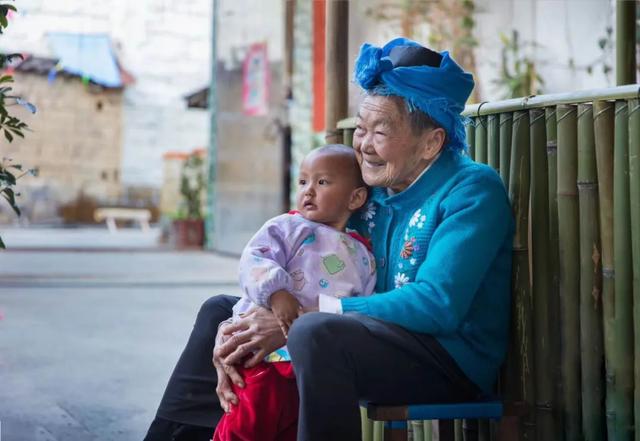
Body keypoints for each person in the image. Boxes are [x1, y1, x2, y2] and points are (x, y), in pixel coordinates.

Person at [144, 37, 513, 441]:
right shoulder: (369, 188)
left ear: (431, 143)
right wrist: (243, 322)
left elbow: (437, 305)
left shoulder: (471, 190)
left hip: (445, 360)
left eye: (380, 132)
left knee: (313, 332)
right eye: (361, 128)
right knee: (220, 312)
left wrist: (298, 317)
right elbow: (297, 238)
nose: (364, 146)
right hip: (359, 334)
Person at [211, 144, 376, 441]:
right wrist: (277, 293)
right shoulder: (287, 226)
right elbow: (254, 259)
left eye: (322, 182)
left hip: (310, 370)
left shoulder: (363, 253)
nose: (308, 191)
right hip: (262, 358)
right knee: (246, 427)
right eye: (303, 182)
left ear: (356, 197)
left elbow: (359, 304)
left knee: (293, 428)